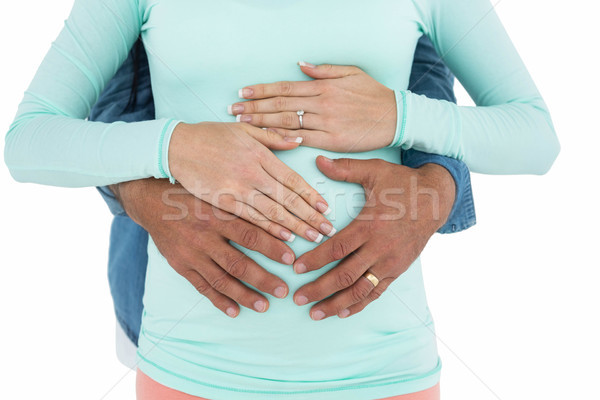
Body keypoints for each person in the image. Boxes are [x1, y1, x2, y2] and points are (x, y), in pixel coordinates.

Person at [4, 0, 560, 399]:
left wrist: (401, 117)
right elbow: (31, 142)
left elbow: (533, 135)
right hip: (193, 359)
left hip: (381, 363)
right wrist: (175, 147)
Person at [91, 34, 477, 369]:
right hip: (174, 328)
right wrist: (143, 195)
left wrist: (436, 188)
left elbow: (425, 74)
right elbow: (114, 101)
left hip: (373, 351)